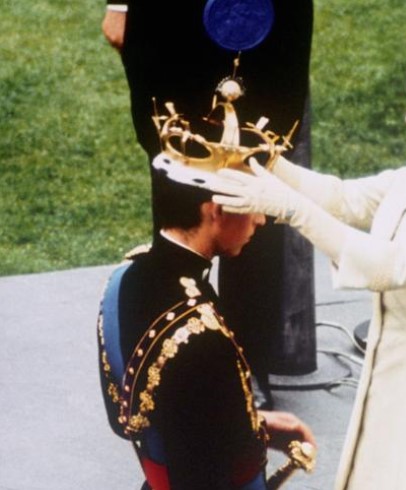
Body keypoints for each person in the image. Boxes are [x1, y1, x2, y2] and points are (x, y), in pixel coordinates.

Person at [204, 10, 406, 490]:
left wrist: (289, 208)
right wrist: (266, 160)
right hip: (395, 384)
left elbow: (392, 265)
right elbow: (347, 198)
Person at [101, 0, 316, 408]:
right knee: (177, 164)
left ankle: (247, 361)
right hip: (173, 21)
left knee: (258, 164)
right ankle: (170, 350)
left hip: (270, 17)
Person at [96, 164, 315, 489]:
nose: (261, 220)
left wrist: (259, 424)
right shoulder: (203, 339)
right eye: (253, 205)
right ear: (215, 211)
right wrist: (249, 433)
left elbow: (127, 421)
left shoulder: (122, 277)